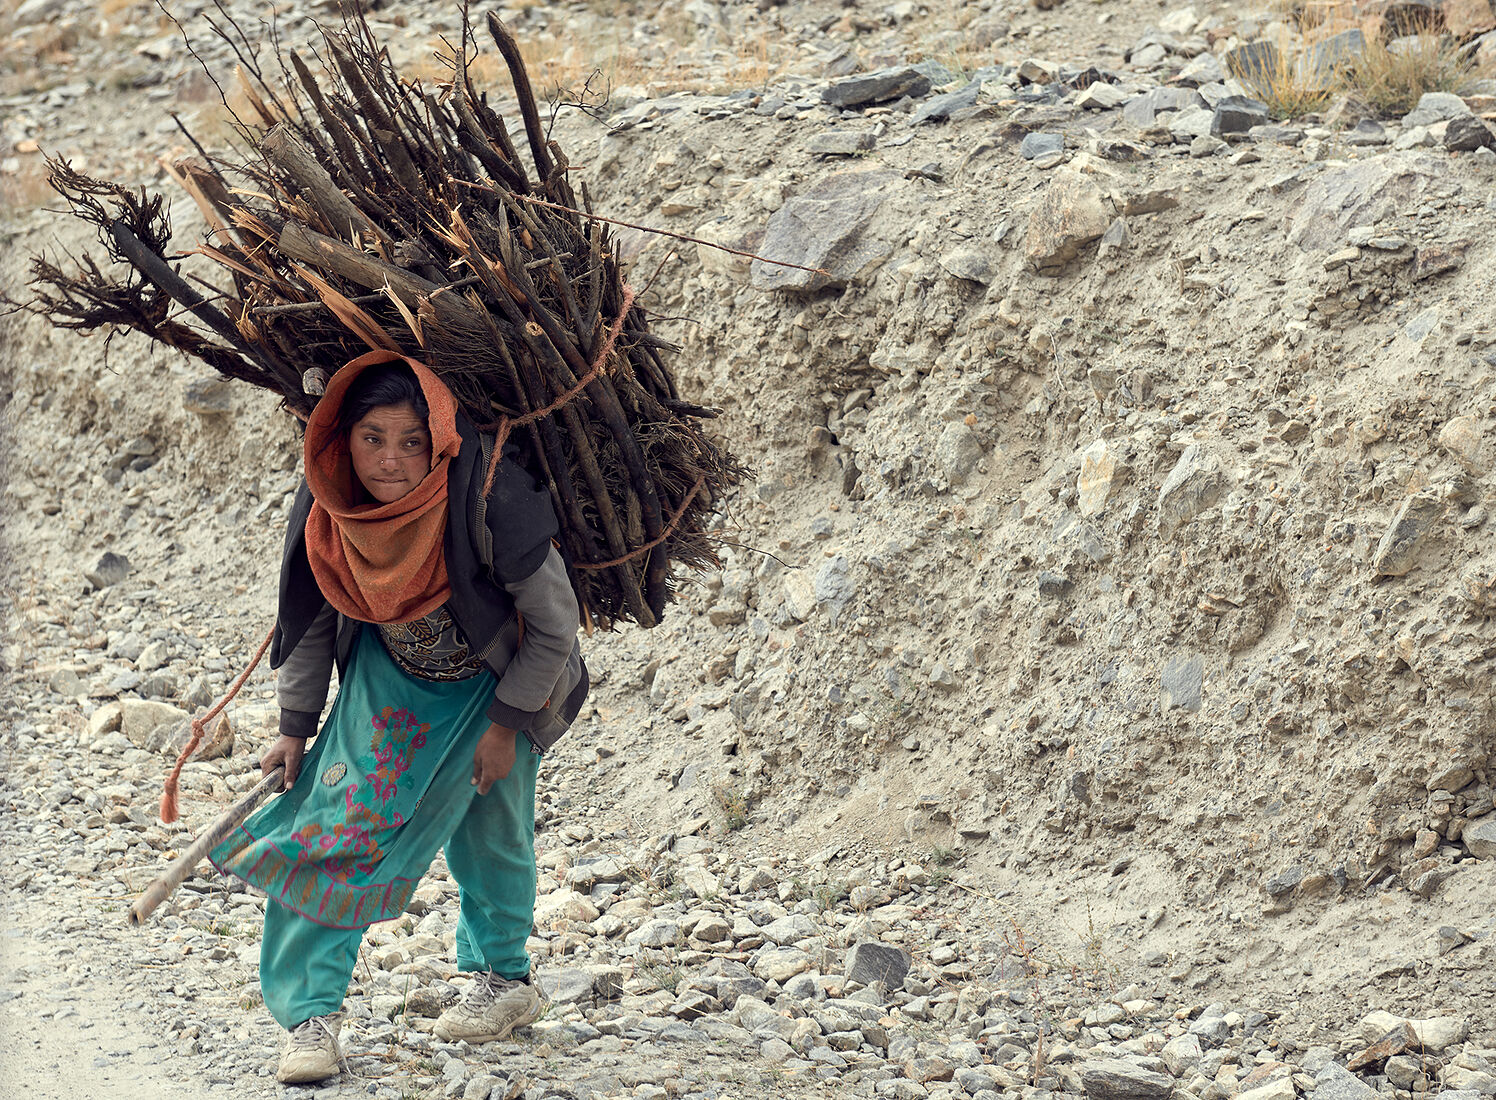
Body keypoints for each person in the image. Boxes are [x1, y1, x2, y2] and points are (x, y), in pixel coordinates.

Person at [209, 350, 588, 1084]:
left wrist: (505, 727)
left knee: (492, 832)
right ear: (342, 440)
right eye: (372, 438)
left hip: (493, 687)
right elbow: (311, 617)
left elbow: (554, 625)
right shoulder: (329, 504)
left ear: (439, 440)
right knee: (336, 828)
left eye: (412, 440)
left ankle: (504, 981)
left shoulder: (489, 498)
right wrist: (294, 726)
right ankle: (310, 1018)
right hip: (388, 683)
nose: (390, 459)